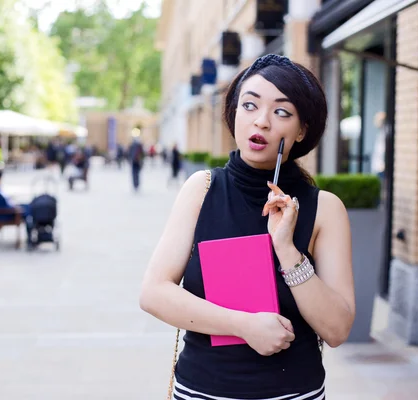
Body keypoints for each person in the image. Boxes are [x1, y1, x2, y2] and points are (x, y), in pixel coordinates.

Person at [140, 54, 354, 399]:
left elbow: (338, 328)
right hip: (201, 389)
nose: (262, 122)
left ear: (302, 130)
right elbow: (153, 293)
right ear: (234, 114)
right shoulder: (202, 188)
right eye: (250, 105)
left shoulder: (324, 208)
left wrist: (287, 251)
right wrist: (245, 326)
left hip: (294, 392)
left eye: (281, 112)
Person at [0, 170, 33, 245]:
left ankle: (31, 236)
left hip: (5, 212)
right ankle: (31, 237)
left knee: (27, 207)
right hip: (4, 215)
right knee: (28, 210)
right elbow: (1, 206)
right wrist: (15, 208)